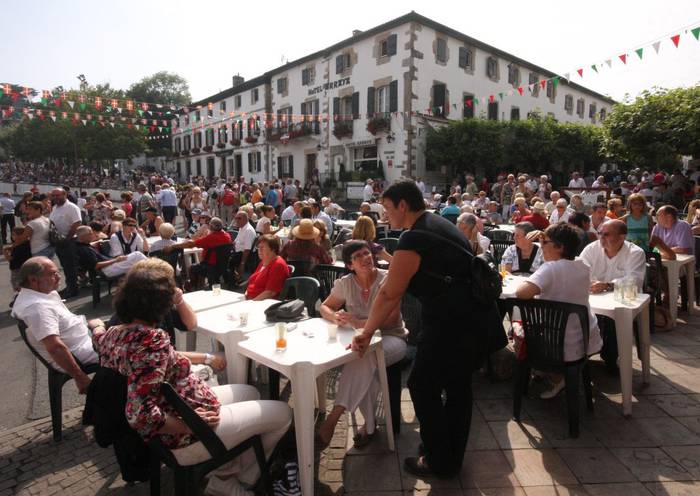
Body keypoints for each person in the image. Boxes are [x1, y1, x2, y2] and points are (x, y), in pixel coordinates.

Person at [91, 258, 292, 494]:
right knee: (284, 414)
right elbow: (140, 415)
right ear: (161, 302)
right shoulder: (151, 340)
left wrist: (96, 325)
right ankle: (237, 480)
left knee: (250, 392)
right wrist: (190, 426)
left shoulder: (114, 333)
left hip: (185, 407)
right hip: (189, 434)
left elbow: (98, 337)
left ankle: (225, 468)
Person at [351, 180, 483, 477]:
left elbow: (389, 292)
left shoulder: (415, 237)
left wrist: (367, 331)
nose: (384, 215)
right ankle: (448, 456)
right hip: (470, 320)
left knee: (422, 386)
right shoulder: (438, 224)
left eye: (387, 208)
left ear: (403, 205)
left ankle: (438, 459)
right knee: (457, 389)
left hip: (448, 324)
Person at [317, 241, 408, 449]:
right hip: (362, 342)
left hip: (392, 338)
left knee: (363, 355)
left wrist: (357, 323)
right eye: (358, 256)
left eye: (367, 253)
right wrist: (335, 317)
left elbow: (391, 320)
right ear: (350, 265)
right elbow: (325, 307)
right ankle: (369, 426)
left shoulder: (388, 279)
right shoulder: (346, 283)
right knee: (364, 361)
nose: (365, 258)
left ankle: (334, 417)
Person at [515, 223, 603, 398]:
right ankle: (550, 374)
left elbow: (521, 292)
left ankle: (554, 376)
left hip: (555, 344)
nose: (541, 246)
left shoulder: (551, 268)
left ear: (560, 247)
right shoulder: (582, 265)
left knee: (516, 324)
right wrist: (546, 236)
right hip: (583, 337)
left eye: (545, 242)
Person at [11, 257, 101, 393]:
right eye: (53, 274)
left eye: (58, 272)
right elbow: (55, 348)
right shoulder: (37, 307)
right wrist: (80, 377)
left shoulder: (43, 293)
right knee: (132, 344)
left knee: (124, 325)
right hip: (83, 351)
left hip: (85, 340)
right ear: (33, 280)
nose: (59, 277)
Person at [578, 220, 646, 373]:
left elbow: (634, 281)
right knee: (577, 311)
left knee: (613, 318)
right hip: (594, 298)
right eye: (600, 233)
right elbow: (579, 270)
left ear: (622, 237)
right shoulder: (592, 248)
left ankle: (610, 358)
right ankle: (581, 355)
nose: (601, 238)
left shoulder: (635, 252)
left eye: (607, 234)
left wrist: (607, 285)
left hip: (622, 300)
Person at [75, 226, 147, 278]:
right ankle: (153, 270)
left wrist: (97, 242)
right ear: (84, 236)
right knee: (137, 255)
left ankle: (148, 275)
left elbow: (88, 244)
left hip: (109, 265)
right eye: (91, 233)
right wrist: (115, 260)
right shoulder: (84, 249)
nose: (94, 235)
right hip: (106, 270)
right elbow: (96, 265)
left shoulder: (82, 245)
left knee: (137, 261)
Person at [49, 188, 82, 298]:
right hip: (59, 241)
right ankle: (69, 286)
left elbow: (77, 223)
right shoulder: (55, 207)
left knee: (70, 266)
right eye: (53, 196)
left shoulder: (71, 207)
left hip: (69, 241)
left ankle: (73, 289)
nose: (55, 197)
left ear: (65, 195)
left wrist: (67, 239)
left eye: (58, 195)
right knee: (65, 266)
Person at [245, 235, 290, 300]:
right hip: (250, 298)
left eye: (262, 247)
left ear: (273, 249)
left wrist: (251, 302)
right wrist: (246, 294)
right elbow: (253, 281)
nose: (259, 250)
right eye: (258, 247)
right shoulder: (264, 261)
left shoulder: (278, 265)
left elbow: (270, 293)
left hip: (262, 302)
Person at [232, 211, 257, 280]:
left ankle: (234, 279)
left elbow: (247, 250)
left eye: (239, 218)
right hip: (237, 252)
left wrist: (242, 264)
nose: (237, 220)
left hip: (243, 255)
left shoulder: (248, 230)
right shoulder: (242, 227)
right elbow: (236, 241)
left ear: (246, 219)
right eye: (236, 218)